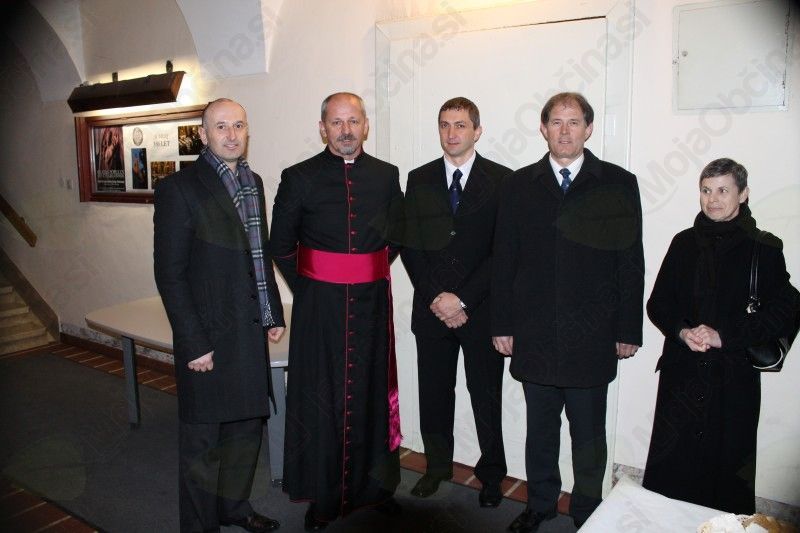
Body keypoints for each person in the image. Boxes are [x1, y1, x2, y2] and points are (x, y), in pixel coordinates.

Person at [491, 92, 644, 531]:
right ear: (543, 128)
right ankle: (539, 504)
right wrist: (502, 323)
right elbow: (504, 259)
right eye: (556, 122)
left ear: (588, 129)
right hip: (534, 333)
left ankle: (587, 511)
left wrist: (628, 328)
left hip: (592, 335)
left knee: (588, 435)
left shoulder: (618, 183)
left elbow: (630, 261)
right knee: (540, 432)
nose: (564, 131)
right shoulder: (518, 185)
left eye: (574, 122)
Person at [270, 92, 403, 531]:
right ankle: (322, 496)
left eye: (353, 121)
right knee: (321, 399)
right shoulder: (299, 177)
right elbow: (280, 245)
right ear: (323, 127)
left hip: (371, 307)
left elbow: (397, 236)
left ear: (365, 125)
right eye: (336, 122)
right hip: (320, 311)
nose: (346, 130)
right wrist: (312, 287)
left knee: (371, 393)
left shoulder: (386, 175)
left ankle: (375, 488)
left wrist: (365, 271)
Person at [154, 98, 285, 533]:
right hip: (207, 338)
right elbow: (170, 275)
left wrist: (271, 313)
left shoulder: (253, 182)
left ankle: (234, 508)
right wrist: (193, 342)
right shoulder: (179, 189)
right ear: (203, 134)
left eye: (239, 126)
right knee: (203, 443)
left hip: (248, 332)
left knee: (246, 431)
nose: (232, 135)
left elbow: (258, 253)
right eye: (221, 126)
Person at [642, 158, 799, 514]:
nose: (712, 199)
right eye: (706, 190)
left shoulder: (764, 248)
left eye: (723, 190)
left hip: (733, 380)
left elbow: (782, 314)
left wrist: (722, 336)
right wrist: (682, 331)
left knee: (725, 482)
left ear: (743, 194)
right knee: (672, 479)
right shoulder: (683, 243)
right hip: (682, 376)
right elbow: (658, 304)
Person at [401, 97, 510, 506]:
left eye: (461, 125)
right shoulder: (419, 178)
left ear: (477, 131)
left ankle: (492, 476)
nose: (452, 133)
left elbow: (503, 251)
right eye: (445, 125)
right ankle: (436, 468)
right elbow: (410, 244)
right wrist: (437, 298)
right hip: (431, 311)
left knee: (486, 397)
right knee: (433, 394)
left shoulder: (502, 180)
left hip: (480, 312)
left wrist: (462, 299)